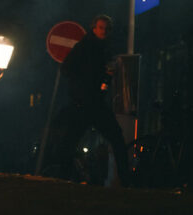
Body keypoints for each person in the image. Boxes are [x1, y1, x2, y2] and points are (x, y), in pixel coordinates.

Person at [48, 14, 133, 186]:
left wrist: (105, 75)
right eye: (101, 28)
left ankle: (62, 177)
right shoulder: (84, 47)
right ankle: (125, 178)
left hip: (93, 102)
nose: (103, 31)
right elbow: (67, 69)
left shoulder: (103, 47)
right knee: (78, 140)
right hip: (85, 102)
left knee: (78, 139)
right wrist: (86, 82)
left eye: (106, 29)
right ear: (94, 28)